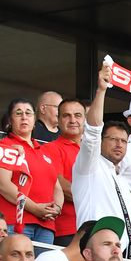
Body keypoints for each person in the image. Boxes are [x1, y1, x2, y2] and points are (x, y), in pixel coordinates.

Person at [75, 64, 131, 240]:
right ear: (101, 142)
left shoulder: (123, 181)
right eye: (113, 139)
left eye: (123, 141)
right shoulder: (90, 166)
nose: (119, 145)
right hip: (93, 250)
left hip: (121, 258)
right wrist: (101, 90)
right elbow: (93, 131)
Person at [0, 98, 61, 243]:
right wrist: (36, 208)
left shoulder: (44, 151)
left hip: (46, 225)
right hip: (15, 221)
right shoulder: (5, 145)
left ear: (34, 120)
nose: (24, 117)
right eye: (18, 113)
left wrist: (57, 208)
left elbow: (57, 187)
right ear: (10, 120)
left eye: (28, 113)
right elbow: (4, 185)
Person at [43, 98, 83, 245]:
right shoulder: (49, 148)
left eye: (78, 115)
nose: (73, 120)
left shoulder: (94, 151)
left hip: (96, 228)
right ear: (58, 120)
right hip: (67, 229)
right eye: (66, 115)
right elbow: (62, 187)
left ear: (85, 119)